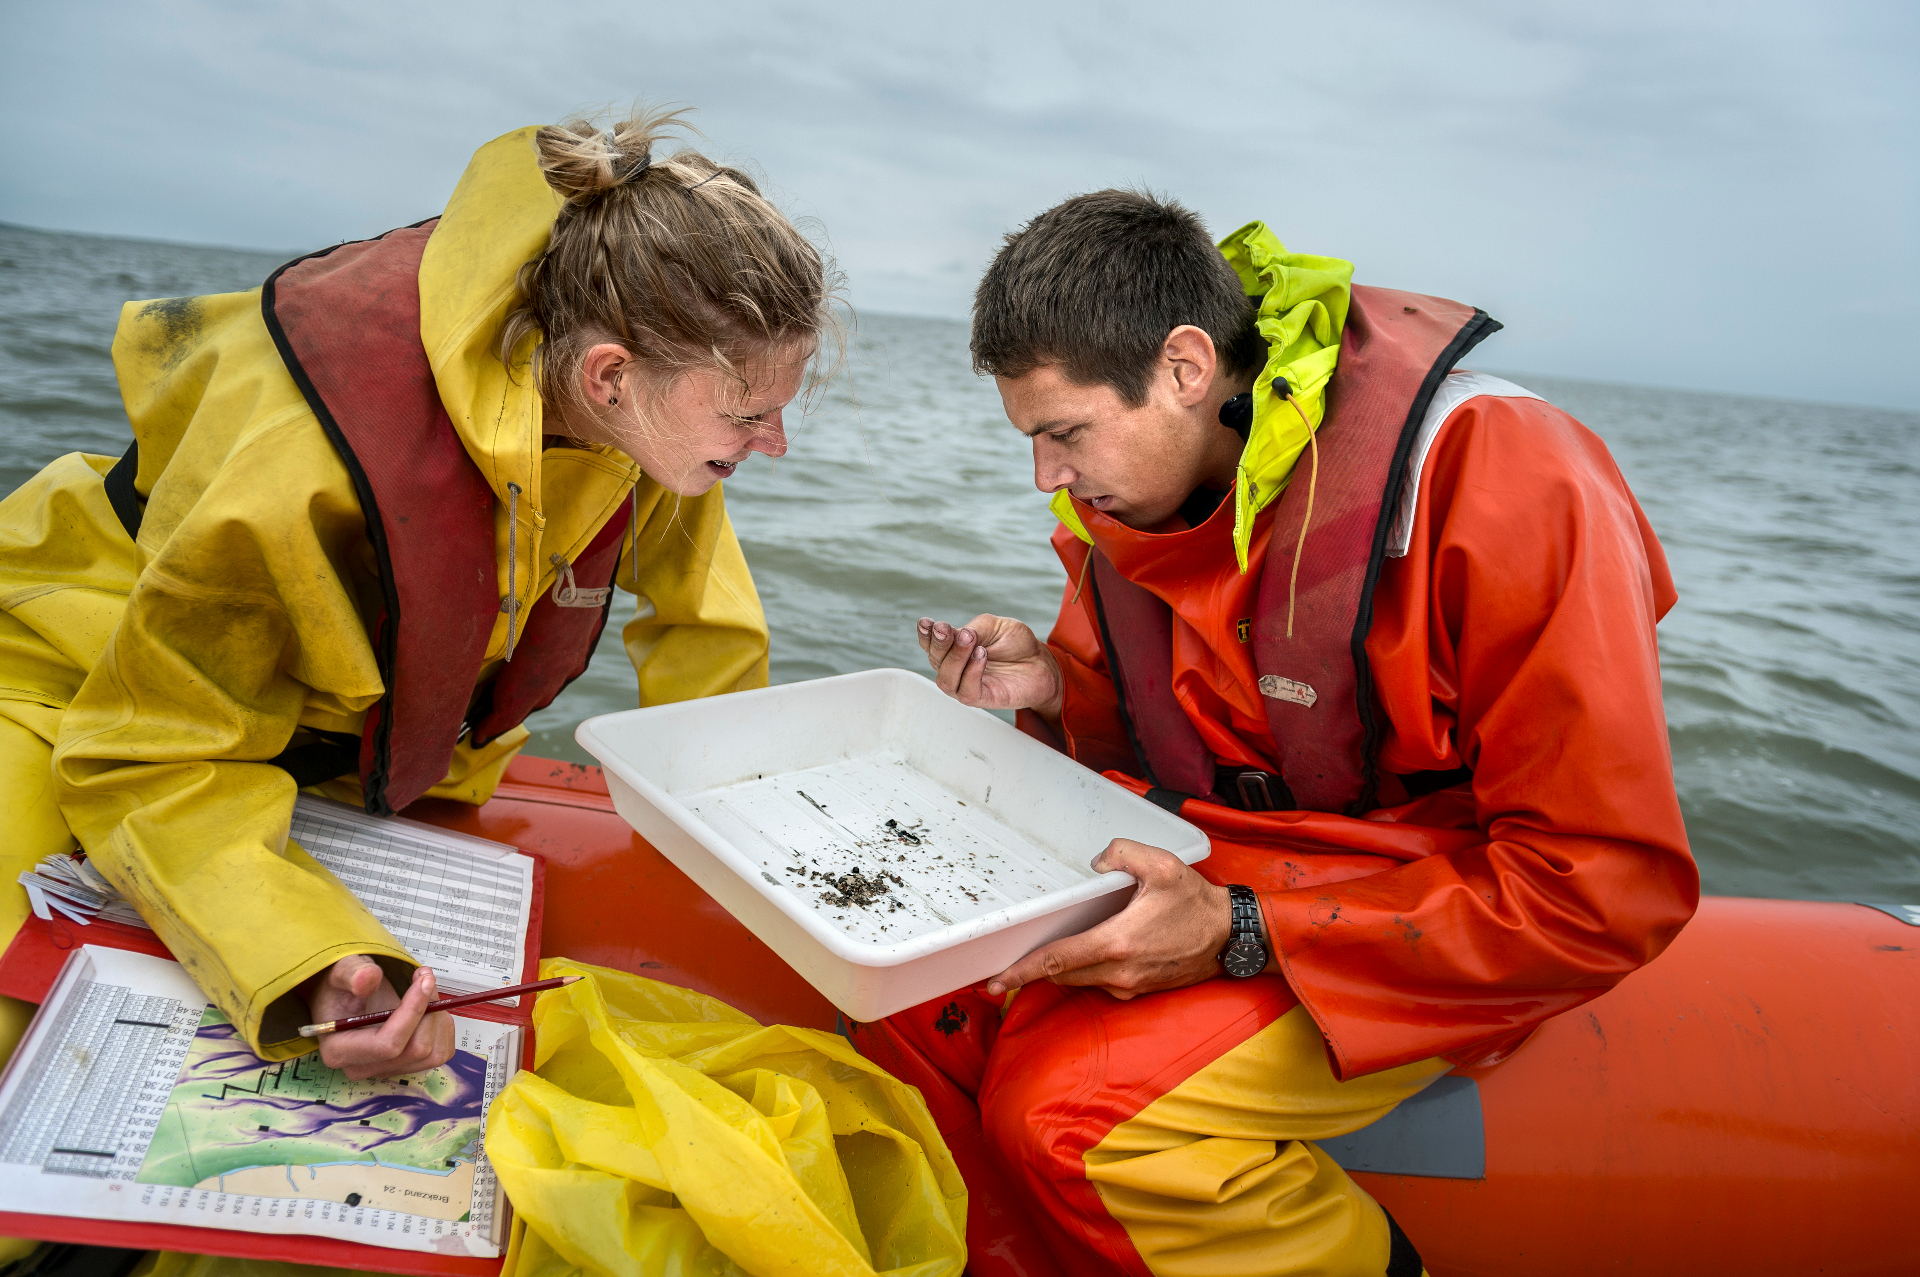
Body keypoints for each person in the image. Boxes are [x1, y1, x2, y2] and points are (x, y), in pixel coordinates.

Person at [861, 192, 1697, 1277]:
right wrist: (1058, 692)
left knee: (1072, 1116)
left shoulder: (1513, 481)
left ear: (1185, 365)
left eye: (1064, 432)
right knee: (909, 1004)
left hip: (1418, 910)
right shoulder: (1135, 499)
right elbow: (1171, 740)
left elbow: (1600, 888)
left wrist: (1242, 929)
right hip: (1231, 858)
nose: (1047, 477)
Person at [0, 109, 831, 1094]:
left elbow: (707, 632)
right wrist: (313, 960)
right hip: (83, 678)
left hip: (346, 741)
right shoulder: (295, 461)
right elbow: (154, 750)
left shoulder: (644, 410)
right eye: (749, 414)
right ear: (610, 376)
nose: (774, 442)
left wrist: (756, 830)